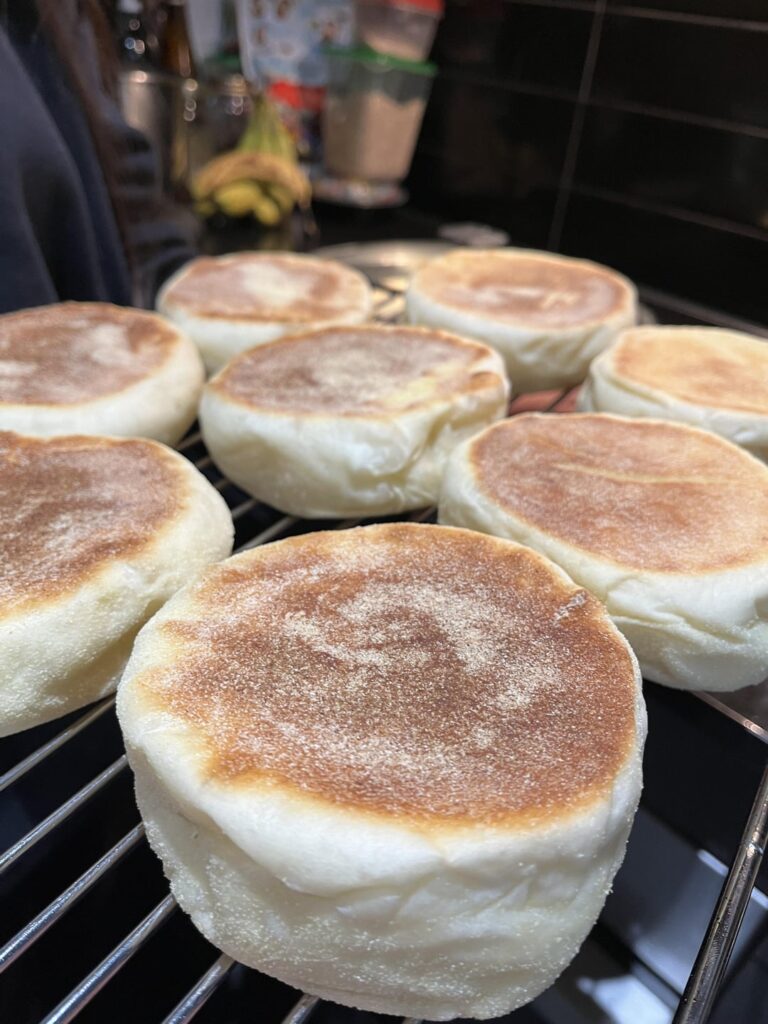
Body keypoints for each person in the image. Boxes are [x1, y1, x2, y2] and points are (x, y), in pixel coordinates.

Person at [0, 0, 196, 313]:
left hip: (105, 343)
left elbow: (124, 181)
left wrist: (199, 287)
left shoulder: (59, 15)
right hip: (47, 349)